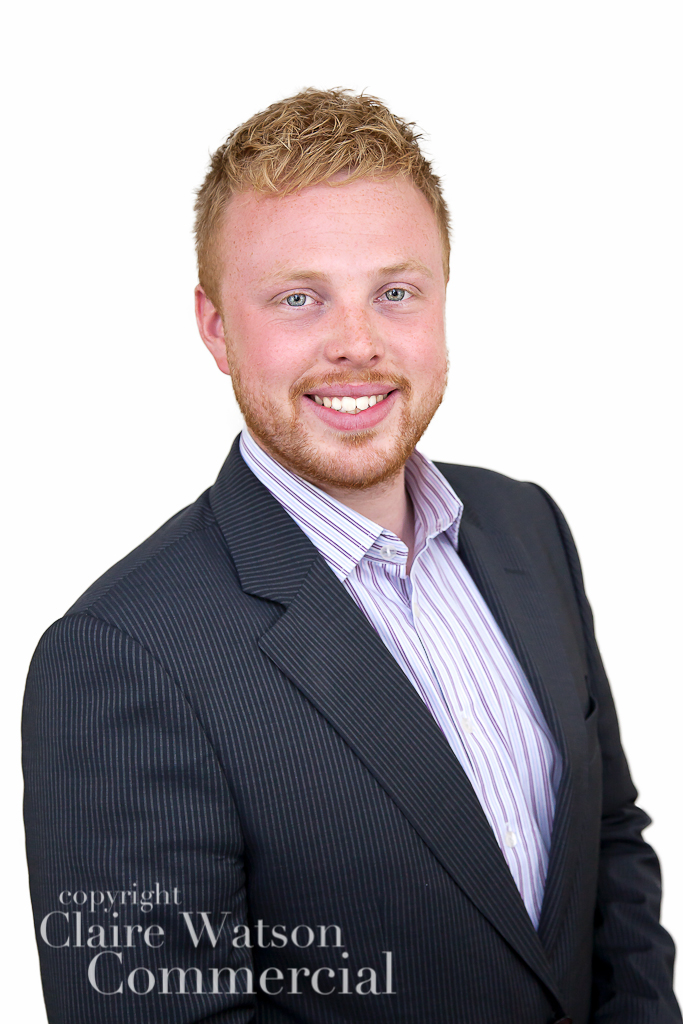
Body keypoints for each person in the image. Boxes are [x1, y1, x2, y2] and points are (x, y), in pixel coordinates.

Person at [22, 88, 680, 1024]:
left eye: (394, 292)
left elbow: (608, 838)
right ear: (215, 327)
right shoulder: (117, 657)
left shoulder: (525, 526)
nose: (356, 345)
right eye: (299, 299)